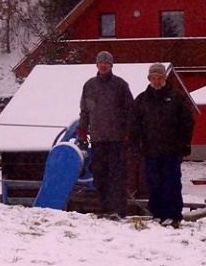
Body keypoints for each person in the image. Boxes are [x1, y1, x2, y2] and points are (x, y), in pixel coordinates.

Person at [129, 63, 195, 228]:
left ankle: (174, 215)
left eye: (160, 78)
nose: (157, 81)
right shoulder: (141, 100)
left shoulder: (177, 98)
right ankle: (157, 214)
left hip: (172, 150)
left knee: (171, 182)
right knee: (153, 183)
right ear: (149, 79)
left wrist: (185, 143)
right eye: (154, 78)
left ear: (164, 79)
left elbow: (187, 123)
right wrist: (135, 144)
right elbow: (134, 125)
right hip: (150, 150)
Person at [77, 51, 133, 218]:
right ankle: (105, 209)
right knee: (100, 175)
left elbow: (130, 111)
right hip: (97, 139)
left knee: (116, 176)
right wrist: (82, 130)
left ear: (111, 65)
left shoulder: (121, 85)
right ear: (97, 65)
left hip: (117, 139)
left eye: (107, 62)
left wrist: (128, 132)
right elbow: (84, 111)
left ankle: (119, 210)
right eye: (101, 62)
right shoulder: (89, 85)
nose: (103, 65)